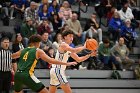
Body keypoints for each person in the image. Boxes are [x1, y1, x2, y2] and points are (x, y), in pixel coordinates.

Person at [11, 35, 77, 93]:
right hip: (27, 75)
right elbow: (51, 60)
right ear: (37, 43)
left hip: (17, 75)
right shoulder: (38, 50)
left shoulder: (23, 50)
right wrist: (66, 63)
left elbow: (11, 56)